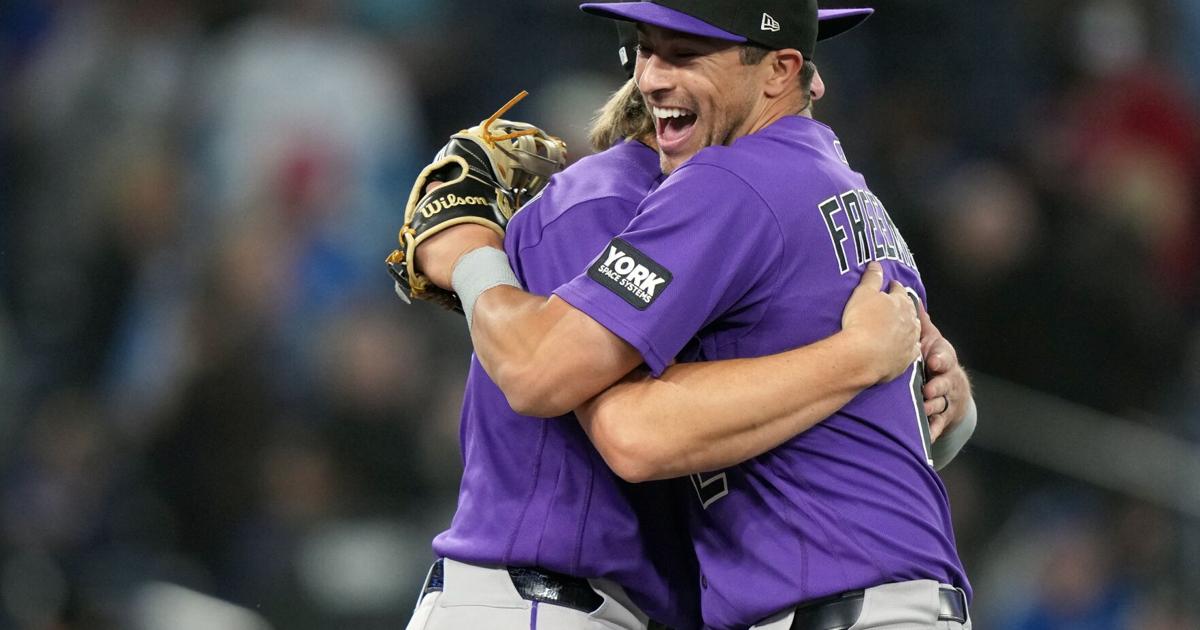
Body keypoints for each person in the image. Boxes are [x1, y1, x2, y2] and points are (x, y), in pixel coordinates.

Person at [410, 1, 974, 629]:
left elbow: (620, 422)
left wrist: (465, 253)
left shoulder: (738, 184)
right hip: (540, 601)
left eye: (685, 53)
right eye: (650, 50)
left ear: (787, 72)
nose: (655, 75)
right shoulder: (842, 195)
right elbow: (921, 433)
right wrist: (883, 372)